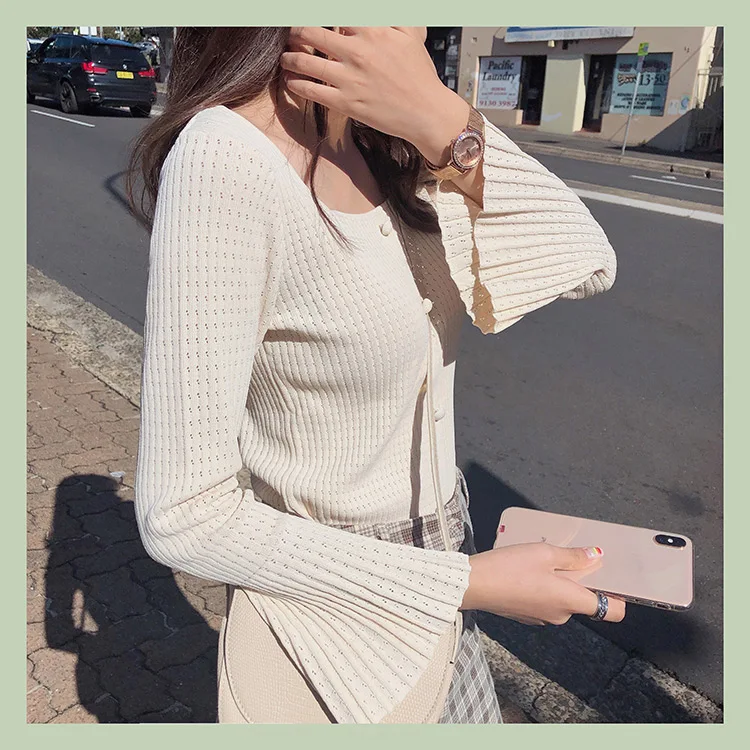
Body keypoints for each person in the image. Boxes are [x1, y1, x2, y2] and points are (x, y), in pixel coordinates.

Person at [127, 26, 622, 725]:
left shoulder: (383, 140)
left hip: (445, 581)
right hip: (335, 615)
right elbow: (182, 516)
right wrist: (466, 584)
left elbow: (588, 265)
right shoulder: (226, 158)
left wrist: (441, 118)